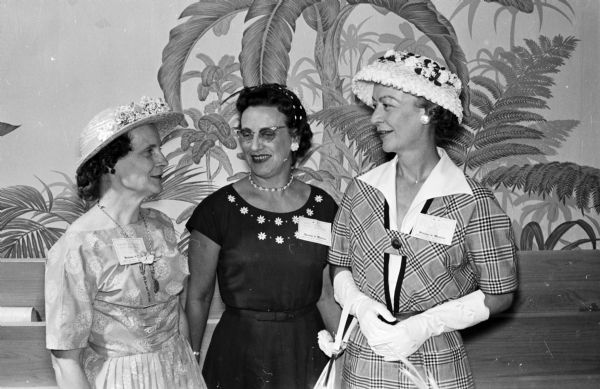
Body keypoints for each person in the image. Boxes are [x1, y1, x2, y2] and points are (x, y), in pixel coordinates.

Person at [326, 50, 518, 388]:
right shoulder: (360, 192)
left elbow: (499, 294)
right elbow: (339, 266)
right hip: (369, 357)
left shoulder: (473, 202)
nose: (374, 119)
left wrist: (424, 325)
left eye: (387, 105)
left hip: (437, 361)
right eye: (375, 107)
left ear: (428, 112)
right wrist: (360, 306)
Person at [185, 83, 341, 389]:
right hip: (239, 354)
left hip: (305, 352)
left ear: (294, 138)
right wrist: (189, 360)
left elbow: (325, 293)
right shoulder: (217, 210)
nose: (254, 145)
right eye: (246, 134)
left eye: (267, 134)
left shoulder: (323, 207)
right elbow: (198, 296)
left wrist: (349, 354)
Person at [45, 97, 206, 389]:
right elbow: (64, 360)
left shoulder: (161, 225)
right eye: (149, 152)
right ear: (111, 163)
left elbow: (175, 311)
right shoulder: (78, 245)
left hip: (179, 373)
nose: (163, 160)